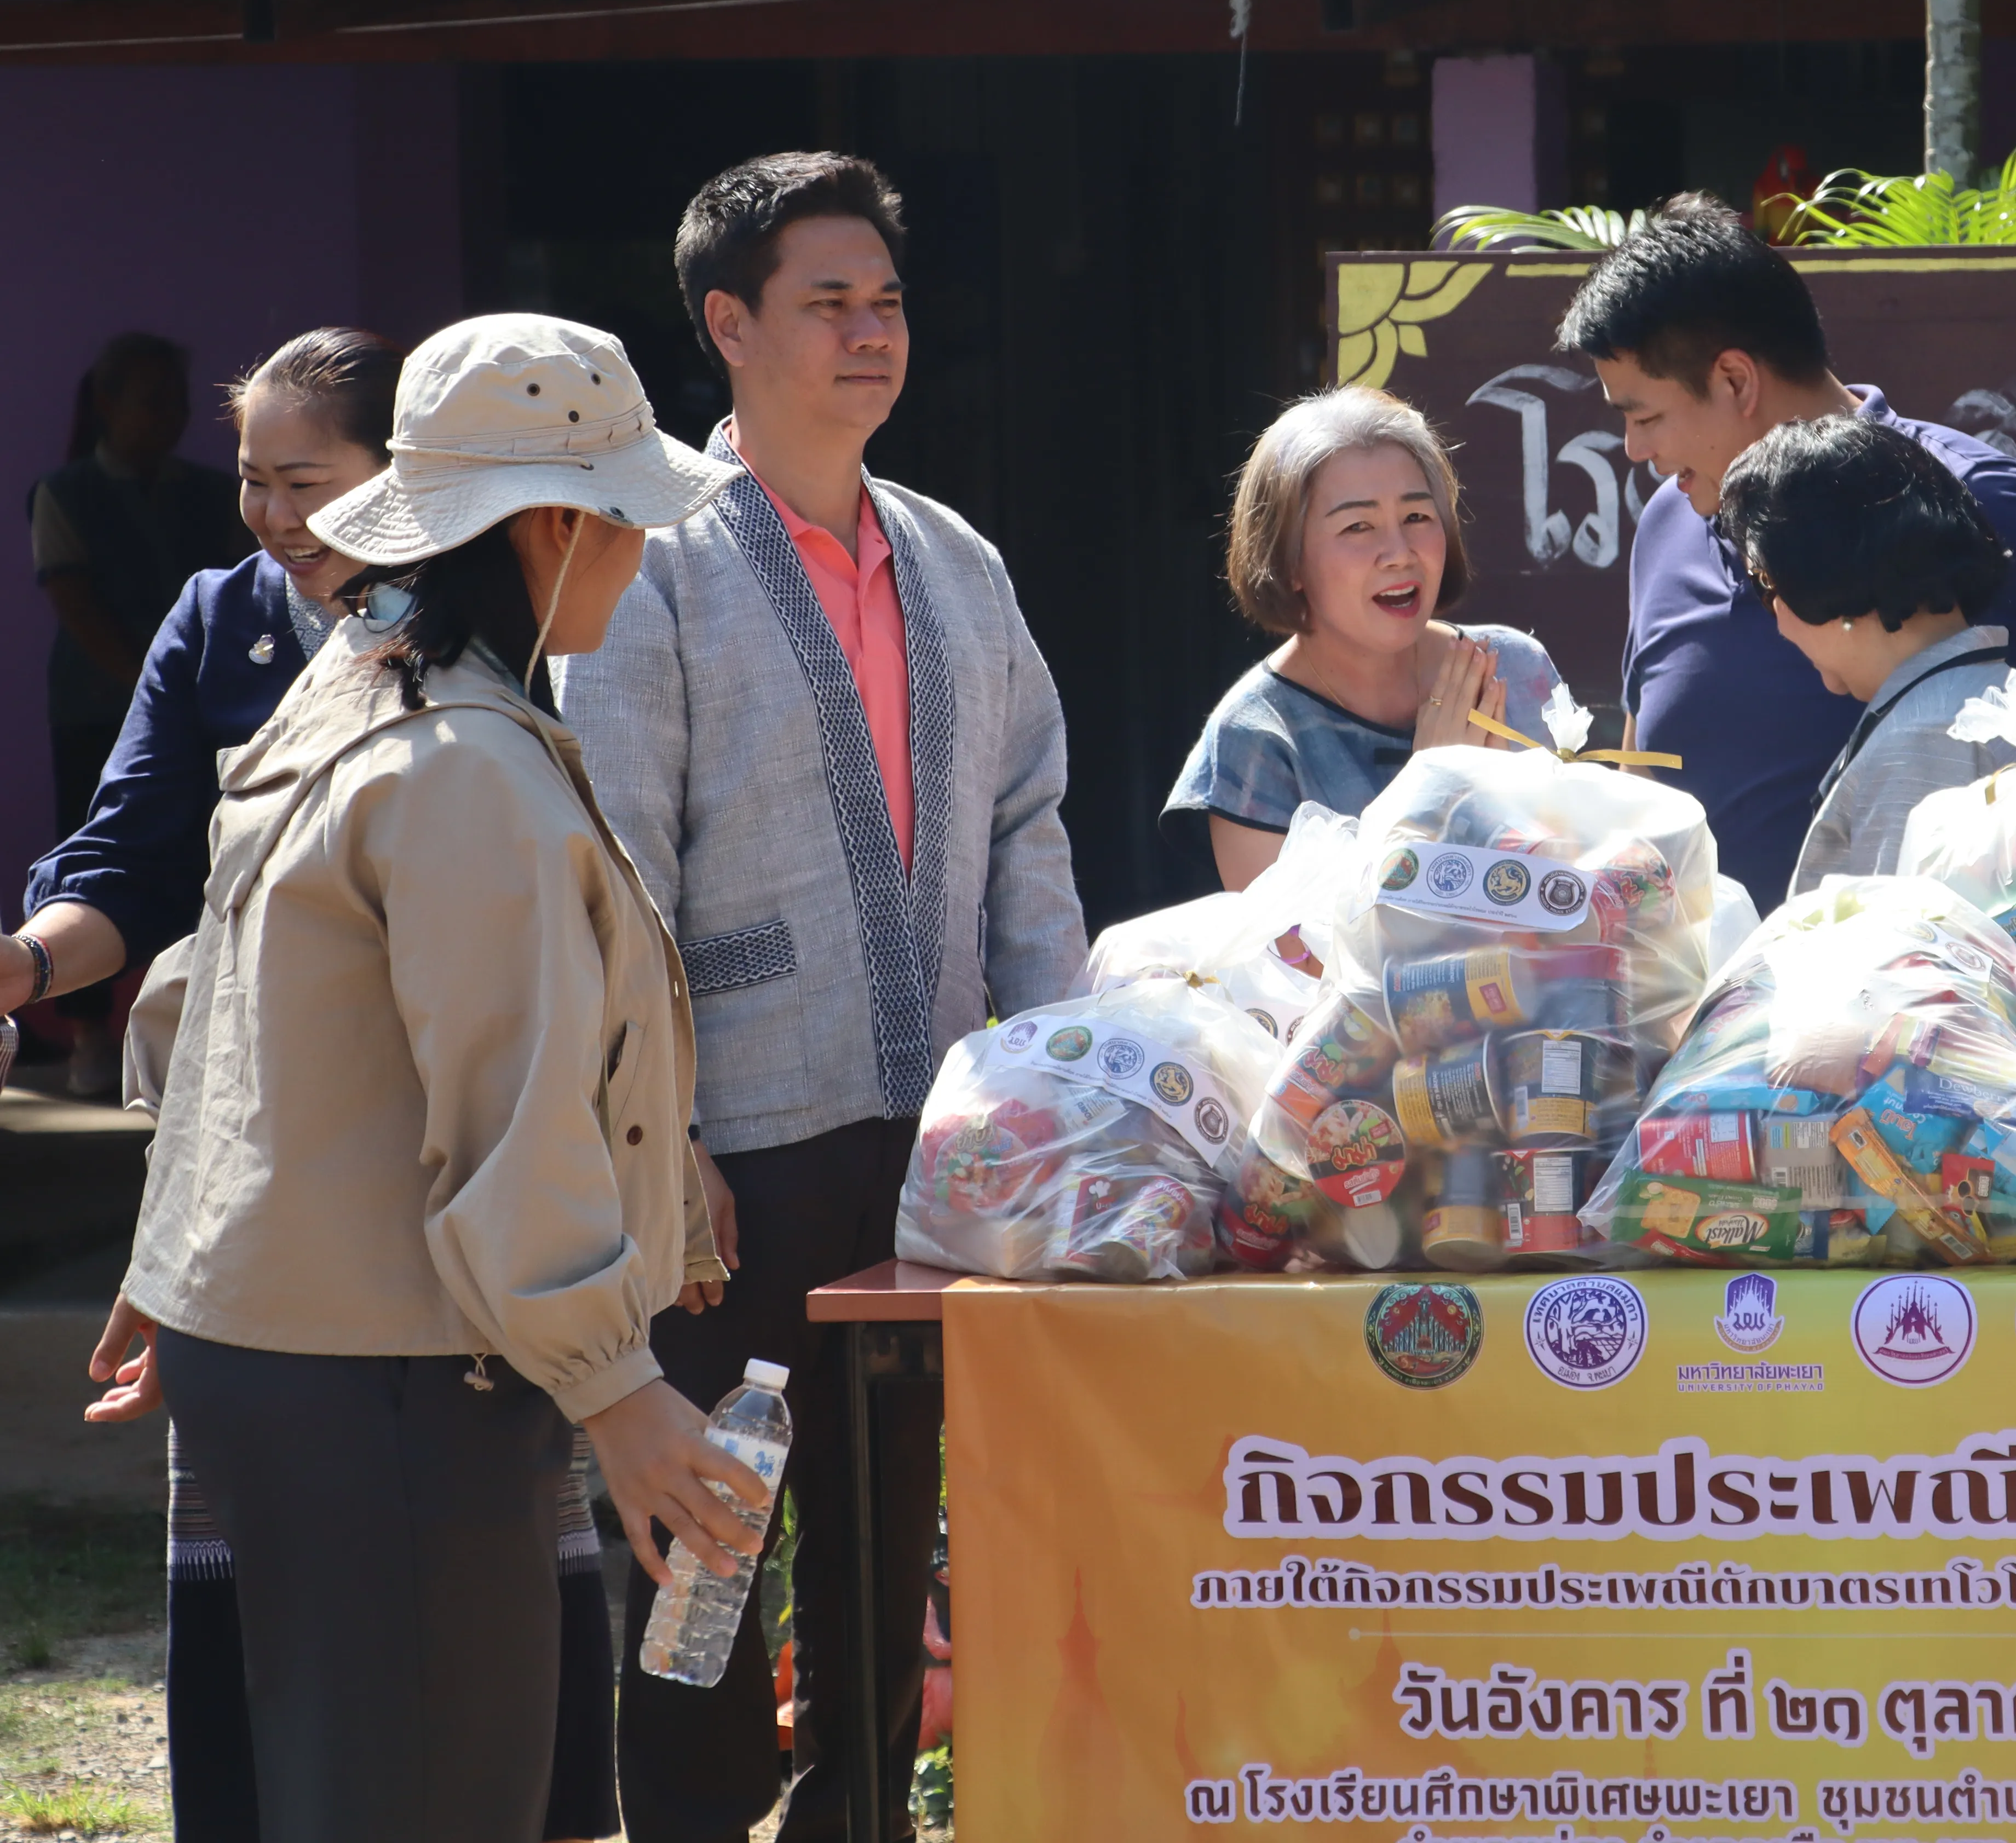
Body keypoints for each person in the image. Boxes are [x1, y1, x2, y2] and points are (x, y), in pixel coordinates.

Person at [87, 313, 751, 1843]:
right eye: (632, 522)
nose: (646, 558)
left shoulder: (362, 687)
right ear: (559, 526)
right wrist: (620, 1383)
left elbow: (209, 1001)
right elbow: (505, 1116)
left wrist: (178, 1251)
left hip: (302, 1353)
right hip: (396, 1374)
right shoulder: (464, 763)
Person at [560, 151, 1087, 1843]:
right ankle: (700, 1825)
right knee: (704, 1521)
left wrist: (1050, 1093)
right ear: (726, 325)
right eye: (825, 304)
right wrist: (664, 1131)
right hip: (731, 1146)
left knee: (879, 1518)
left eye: (887, 302)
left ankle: (860, 1807)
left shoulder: (958, 559)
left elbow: (1027, 829)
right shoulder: (649, 565)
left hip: (932, 1141)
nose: (870, 335)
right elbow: (609, 861)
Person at [1565, 194, 2016, 908]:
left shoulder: (1979, 500)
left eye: (1645, 417)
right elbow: (1646, 791)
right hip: (1709, 1010)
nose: (1635, 451)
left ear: (1735, 380)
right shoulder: (1670, 520)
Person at [1164, 385, 1565, 889]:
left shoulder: (1515, 669)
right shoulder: (1257, 740)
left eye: (1417, 517)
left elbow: (1587, 882)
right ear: (1288, 563)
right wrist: (1430, 789)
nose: (1398, 552)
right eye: (1358, 527)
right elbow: (1296, 960)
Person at [24, 330, 247, 1095]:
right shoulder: (65, 493)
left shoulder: (220, 494)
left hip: (200, 710)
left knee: (208, 856)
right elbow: (78, 606)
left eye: (178, 402)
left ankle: (189, 1020)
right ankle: (88, 1032)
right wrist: (159, 693)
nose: (170, 417)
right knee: (104, 857)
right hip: (96, 708)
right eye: (153, 400)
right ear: (109, 405)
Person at [1709, 417, 2016, 891]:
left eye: (1766, 583)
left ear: (1824, 574)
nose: (1778, 621)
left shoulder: (1925, 739)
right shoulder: (1987, 696)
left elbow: (1895, 954)